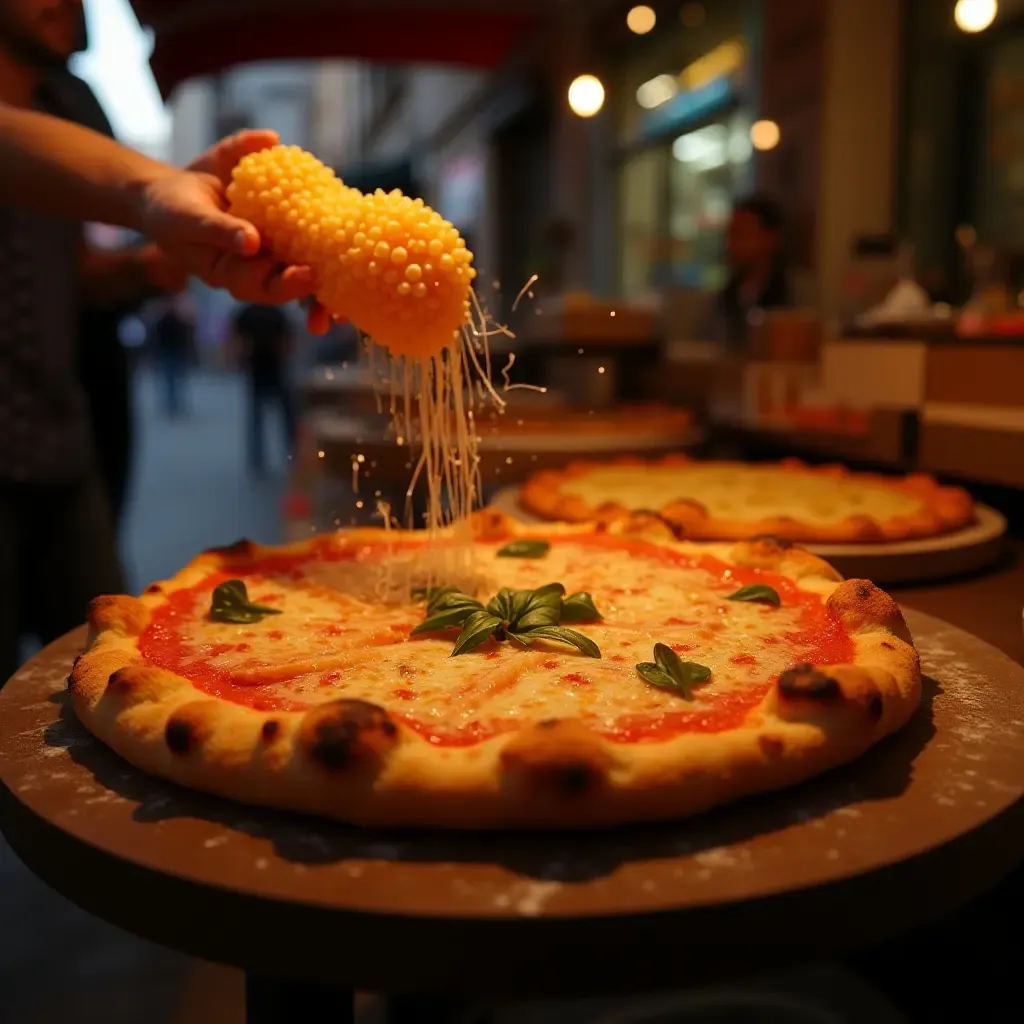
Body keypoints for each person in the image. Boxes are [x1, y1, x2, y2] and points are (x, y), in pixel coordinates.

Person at [0, 1, 321, 686]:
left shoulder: (74, 103)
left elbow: (81, 273)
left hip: (60, 436)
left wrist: (168, 254)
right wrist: (152, 189)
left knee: (108, 671)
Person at [229, 303, 297, 475]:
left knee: (257, 418)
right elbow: (287, 338)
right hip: (274, 367)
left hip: (258, 368)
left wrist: (239, 357)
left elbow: (237, 338)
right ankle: (291, 455)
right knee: (285, 417)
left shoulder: (248, 311)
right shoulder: (276, 312)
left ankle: (258, 460)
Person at [717, 194, 791, 349]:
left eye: (742, 233)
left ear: (770, 239)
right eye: (730, 234)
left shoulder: (795, 296)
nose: (731, 244)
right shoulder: (722, 300)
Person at [151, 291, 195, 417]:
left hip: (174, 354)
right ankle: (172, 406)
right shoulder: (166, 322)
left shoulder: (175, 322)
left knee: (174, 381)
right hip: (168, 354)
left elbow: (184, 340)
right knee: (171, 381)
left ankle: (174, 406)